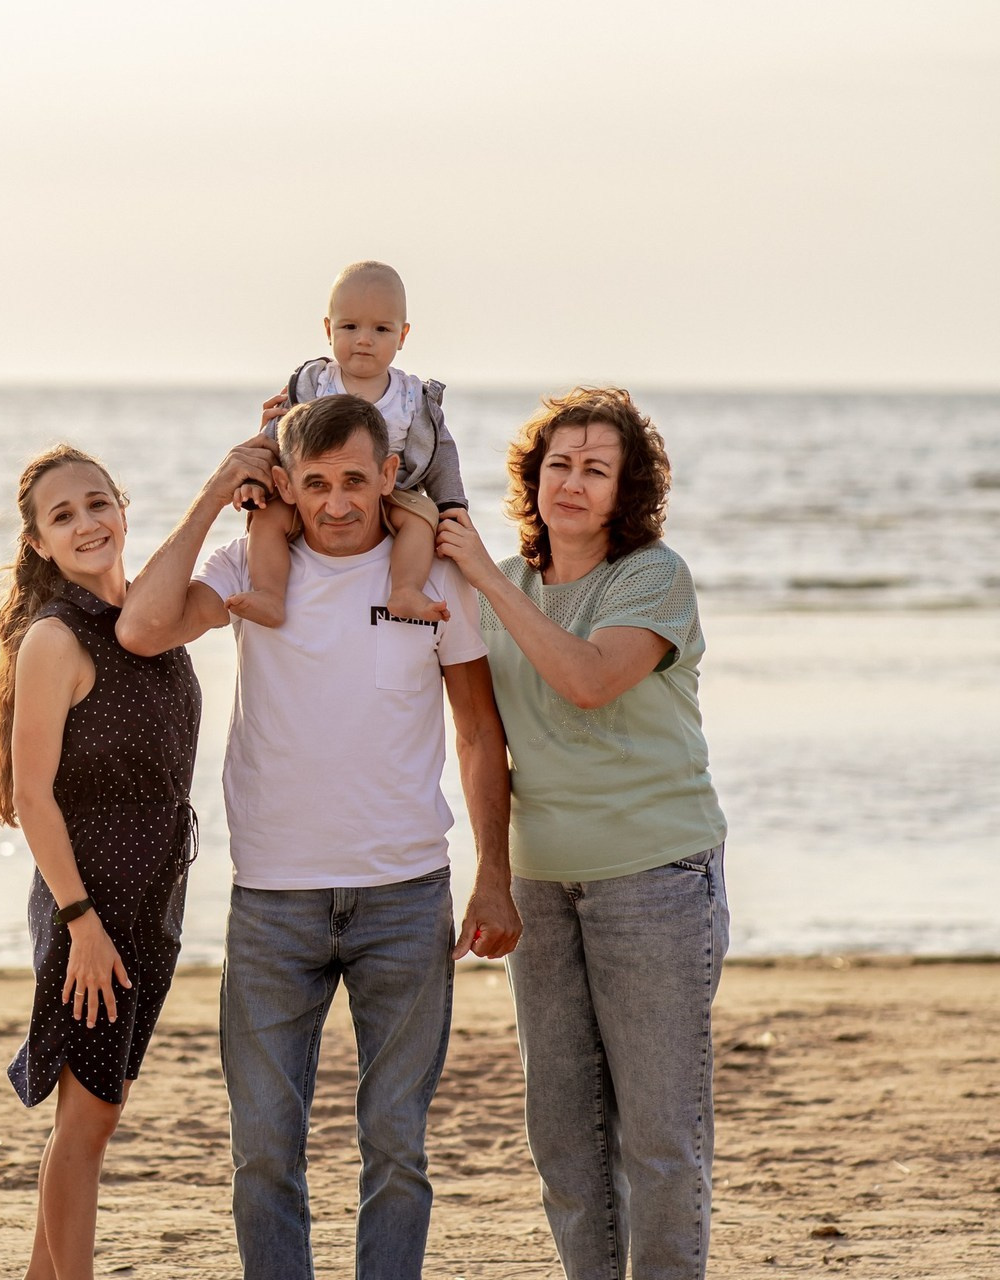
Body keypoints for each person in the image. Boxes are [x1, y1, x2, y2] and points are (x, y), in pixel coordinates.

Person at [116, 394, 522, 1280]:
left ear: (388, 474)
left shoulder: (434, 577)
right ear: (286, 486)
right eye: (315, 484)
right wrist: (216, 488)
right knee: (264, 1151)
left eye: (353, 481)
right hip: (274, 902)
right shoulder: (245, 565)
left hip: (405, 897)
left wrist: (494, 874)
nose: (337, 503)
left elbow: (478, 735)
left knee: (397, 1146)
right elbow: (140, 627)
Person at [436, 387, 730, 1280]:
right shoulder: (504, 585)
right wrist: (491, 874)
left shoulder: (652, 577)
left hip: (656, 878)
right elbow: (483, 743)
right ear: (533, 477)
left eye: (595, 470)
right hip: (541, 885)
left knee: (660, 1135)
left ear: (624, 490)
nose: (571, 482)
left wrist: (486, 579)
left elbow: (590, 680)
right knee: (563, 1134)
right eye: (558, 464)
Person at [0, 444, 200, 1280]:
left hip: (153, 902)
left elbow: (247, 583)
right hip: (89, 906)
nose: (87, 523)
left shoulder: (151, 617)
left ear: (123, 509)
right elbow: (33, 797)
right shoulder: (56, 640)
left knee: (96, 1112)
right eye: (63, 516)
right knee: (89, 1121)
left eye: (98, 503)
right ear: (39, 542)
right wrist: (82, 926)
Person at [227, 259, 467, 629]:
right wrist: (255, 481)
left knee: (422, 521)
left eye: (381, 328)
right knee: (267, 517)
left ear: (402, 335)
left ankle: (405, 590)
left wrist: (451, 504)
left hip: (393, 492)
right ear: (329, 329)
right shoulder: (314, 383)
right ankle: (270, 594)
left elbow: (442, 451)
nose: (364, 339)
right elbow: (278, 433)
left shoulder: (411, 397)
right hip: (316, 491)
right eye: (350, 326)